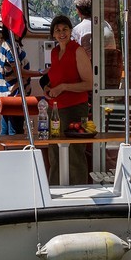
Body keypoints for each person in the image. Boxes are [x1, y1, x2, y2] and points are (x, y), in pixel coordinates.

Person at [42, 13, 94, 183]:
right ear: (53, 34)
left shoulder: (77, 50)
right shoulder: (54, 52)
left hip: (75, 109)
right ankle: (55, 191)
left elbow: (89, 84)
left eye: (65, 29)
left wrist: (63, 87)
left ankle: (80, 194)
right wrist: (47, 88)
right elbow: (53, 77)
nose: (61, 32)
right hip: (54, 109)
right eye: (57, 30)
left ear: (71, 30)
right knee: (54, 151)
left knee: (75, 153)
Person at [0, 27, 35, 135]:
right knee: (15, 132)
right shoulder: (10, 46)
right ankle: (14, 152)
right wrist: (41, 73)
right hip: (14, 95)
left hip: (7, 95)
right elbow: (19, 71)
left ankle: (3, 152)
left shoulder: (11, 45)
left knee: (6, 132)